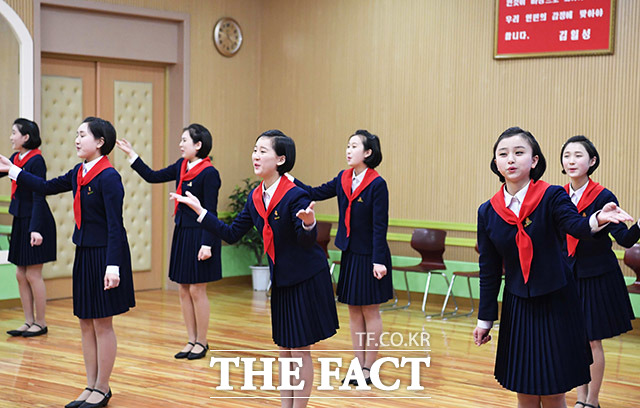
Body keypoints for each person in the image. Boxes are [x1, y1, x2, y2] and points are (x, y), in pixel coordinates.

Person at [171, 129, 339, 408]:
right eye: (255, 150)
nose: (256, 156)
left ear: (281, 159)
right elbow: (231, 233)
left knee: (300, 351)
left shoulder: (295, 195)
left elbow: (305, 239)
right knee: (284, 350)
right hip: (282, 279)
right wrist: (200, 211)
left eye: (263, 151)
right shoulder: (255, 197)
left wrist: (309, 223)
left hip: (307, 278)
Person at [472, 126, 633, 408]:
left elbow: (578, 226)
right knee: (524, 388)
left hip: (556, 302)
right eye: (503, 154)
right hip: (517, 305)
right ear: (495, 163)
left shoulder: (552, 196)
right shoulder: (488, 211)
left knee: (553, 389)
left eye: (519, 153)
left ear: (534, 161)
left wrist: (599, 217)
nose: (510, 159)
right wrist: (485, 319)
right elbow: (489, 269)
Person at [0, 116, 135, 408]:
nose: (77, 139)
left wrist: (113, 266)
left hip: (106, 256)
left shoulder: (109, 177)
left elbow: (115, 225)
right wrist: (14, 171)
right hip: (84, 253)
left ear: (100, 142)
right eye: (76, 134)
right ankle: (90, 385)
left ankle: (103, 387)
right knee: (85, 322)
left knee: (102, 324)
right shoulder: (79, 172)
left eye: (83, 134)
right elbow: (47, 187)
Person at [292, 129, 392, 384]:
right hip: (349, 253)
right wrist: (288, 179)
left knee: (370, 311)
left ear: (368, 153)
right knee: (354, 312)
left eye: (354, 146)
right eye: (347, 146)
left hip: (370, 255)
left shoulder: (377, 184)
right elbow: (314, 192)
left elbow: (381, 226)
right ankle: (359, 364)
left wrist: (378, 260)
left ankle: (370, 366)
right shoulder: (343, 178)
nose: (348, 151)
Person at [116, 124, 221, 360]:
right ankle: (191, 339)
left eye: (185, 140)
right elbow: (153, 176)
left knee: (197, 289)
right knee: (183, 289)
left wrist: (207, 244)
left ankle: (202, 342)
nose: (180, 144)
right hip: (183, 232)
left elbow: (211, 211)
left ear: (198, 145)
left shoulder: (210, 173)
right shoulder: (181, 166)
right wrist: (131, 154)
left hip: (201, 234)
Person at [560, 135, 637, 408]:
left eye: (578, 155)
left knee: (592, 340)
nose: (571, 160)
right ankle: (580, 399)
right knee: (577, 341)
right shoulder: (560, 196)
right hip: (569, 276)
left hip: (596, 276)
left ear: (592, 161)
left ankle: (591, 401)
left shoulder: (603, 196)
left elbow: (625, 240)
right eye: (567, 155)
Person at [2, 119, 56, 338]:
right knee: (20, 273)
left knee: (33, 274)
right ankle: (28, 321)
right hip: (20, 219)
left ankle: (41, 323)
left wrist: (36, 228)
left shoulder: (36, 161)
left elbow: (38, 195)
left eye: (14, 133)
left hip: (36, 221)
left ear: (26, 137)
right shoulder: (16, 158)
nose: (11, 137)